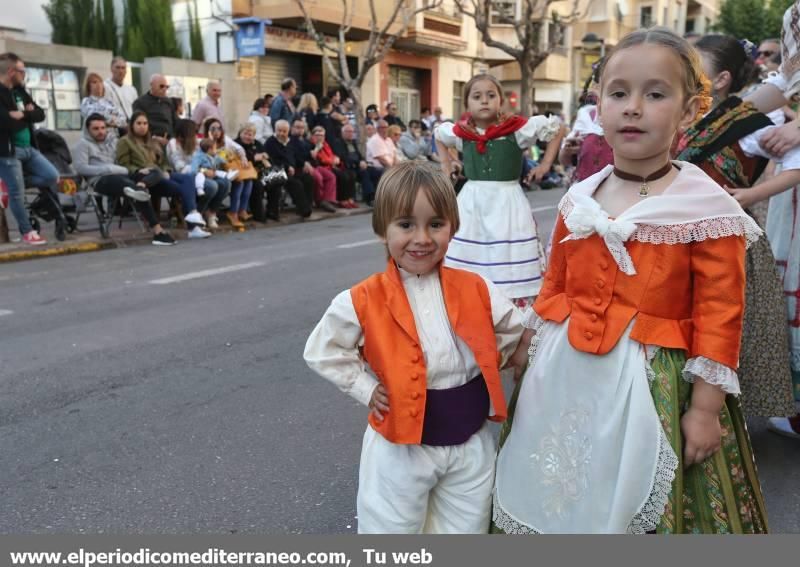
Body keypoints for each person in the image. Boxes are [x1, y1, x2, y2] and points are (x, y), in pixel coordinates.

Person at [493, 28, 768, 535]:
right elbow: (555, 285)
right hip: (563, 376)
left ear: (689, 112)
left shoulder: (706, 208)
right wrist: (527, 348)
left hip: (654, 386)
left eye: (656, 94)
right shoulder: (581, 197)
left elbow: (720, 315)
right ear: (599, 108)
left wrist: (705, 410)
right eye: (618, 93)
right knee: (560, 488)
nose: (633, 107)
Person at [304, 161, 530, 534]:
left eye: (435, 224)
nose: (422, 238)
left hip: (470, 441)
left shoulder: (477, 287)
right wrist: (365, 387)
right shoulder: (361, 299)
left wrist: (501, 359)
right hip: (399, 448)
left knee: (466, 530)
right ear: (382, 230)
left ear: (452, 228)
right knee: (391, 529)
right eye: (406, 225)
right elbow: (322, 350)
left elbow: (512, 330)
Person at [674, 34, 800, 420]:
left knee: (722, 326)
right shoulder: (696, 116)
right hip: (679, 233)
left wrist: (751, 194)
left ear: (722, 78)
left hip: (722, 236)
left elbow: (795, 160)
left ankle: (717, 410)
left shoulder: (747, 122)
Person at [435, 74, 560, 306]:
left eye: (491, 96)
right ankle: (471, 299)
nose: (484, 101)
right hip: (472, 202)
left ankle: (510, 304)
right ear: (467, 104)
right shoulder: (463, 134)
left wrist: (545, 165)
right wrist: (447, 163)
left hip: (508, 201)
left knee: (508, 251)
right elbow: (439, 134)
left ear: (500, 101)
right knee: (470, 251)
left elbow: (556, 129)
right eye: (477, 96)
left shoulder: (516, 130)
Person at [73, 113, 175, 246]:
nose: (100, 131)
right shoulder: (82, 144)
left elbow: (121, 164)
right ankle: (158, 231)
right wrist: (108, 169)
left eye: (103, 128)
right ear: (88, 130)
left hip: (122, 174)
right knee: (130, 187)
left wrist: (137, 171)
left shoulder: (110, 142)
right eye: (96, 129)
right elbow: (81, 168)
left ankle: (139, 186)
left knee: (154, 171)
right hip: (100, 180)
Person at [116, 111, 211, 239]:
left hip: (161, 174)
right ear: (132, 125)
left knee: (188, 178)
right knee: (184, 189)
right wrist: (138, 170)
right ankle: (193, 226)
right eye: (138, 123)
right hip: (146, 177)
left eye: (145, 123)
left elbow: (164, 161)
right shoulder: (125, 141)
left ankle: (193, 216)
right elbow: (124, 164)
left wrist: (167, 170)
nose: (142, 126)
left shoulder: (152, 142)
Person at [0, 52, 49, 244]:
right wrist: (23, 115)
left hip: (29, 147)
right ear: (11, 71)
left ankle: (10, 185)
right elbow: (4, 121)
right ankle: (27, 232)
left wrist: (21, 115)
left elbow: (39, 114)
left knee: (51, 176)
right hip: (9, 151)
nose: (24, 74)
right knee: (17, 194)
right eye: (22, 71)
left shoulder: (21, 91)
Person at [167, 119, 228, 229]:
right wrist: (203, 170)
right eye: (194, 133)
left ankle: (211, 213)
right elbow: (181, 168)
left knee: (225, 183)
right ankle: (196, 214)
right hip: (185, 178)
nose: (196, 136)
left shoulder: (197, 142)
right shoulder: (174, 144)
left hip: (201, 174)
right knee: (211, 186)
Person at [203, 118, 252, 229]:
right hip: (212, 173)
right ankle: (233, 213)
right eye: (213, 128)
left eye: (219, 128)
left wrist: (243, 157)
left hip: (226, 170)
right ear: (207, 130)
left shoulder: (225, 139)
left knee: (248, 180)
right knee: (238, 181)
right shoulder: (203, 141)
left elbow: (239, 147)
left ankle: (241, 210)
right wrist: (211, 141)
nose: (217, 131)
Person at [264, 119, 313, 219]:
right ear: (275, 130)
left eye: (284, 131)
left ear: (288, 131)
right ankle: (303, 209)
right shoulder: (270, 142)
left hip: (289, 171)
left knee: (308, 178)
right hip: (272, 172)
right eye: (279, 130)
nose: (281, 133)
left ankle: (306, 206)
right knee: (295, 183)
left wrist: (304, 163)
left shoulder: (289, 142)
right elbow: (272, 161)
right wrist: (287, 167)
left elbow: (295, 156)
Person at [234, 123, 279, 223]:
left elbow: (266, 156)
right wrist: (254, 158)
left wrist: (265, 157)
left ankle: (272, 211)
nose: (247, 136)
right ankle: (259, 215)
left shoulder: (257, 143)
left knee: (277, 179)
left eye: (250, 134)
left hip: (259, 171)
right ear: (240, 133)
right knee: (258, 185)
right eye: (245, 133)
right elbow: (237, 159)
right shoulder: (236, 144)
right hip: (246, 173)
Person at [309, 125, 356, 209]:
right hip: (322, 167)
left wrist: (335, 158)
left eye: (322, 135)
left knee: (350, 174)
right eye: (317, 135)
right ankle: (342, 199)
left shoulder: (325, 144)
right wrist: (331, 160)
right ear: (313, 136)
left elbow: (330, 154)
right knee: (342, 176)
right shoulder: (312, 144)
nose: (320, 137)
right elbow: (321, 159)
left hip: (331, 165)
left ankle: (349, 198)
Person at [332, 123, 371, 207]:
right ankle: (348, 198)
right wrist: (358, 163)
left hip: (357, 166)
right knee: (351, 174)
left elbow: (359, 155)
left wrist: (363, 161)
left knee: (370, 171)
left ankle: (370, 197)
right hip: (347, 166)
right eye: (348, 131)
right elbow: (342, 156)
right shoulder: (338, 142)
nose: (351, 133)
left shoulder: (353, 143)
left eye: (352, 132)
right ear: (342, 133)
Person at [80, 72, 126, 141]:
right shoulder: (86, 101)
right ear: (88, 86)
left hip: (113, 140)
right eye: (94, 82)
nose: (98, 85)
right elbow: (94, 117)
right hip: (94, 141)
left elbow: (123, 119)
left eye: (100, 82)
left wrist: (113, 122)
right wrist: (111, 117)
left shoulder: (110, 102)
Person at [132, 74, 178, 140]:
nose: (164, 89)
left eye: (167, 87)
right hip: (150, 141)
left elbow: (176, 121)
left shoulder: (168, 102)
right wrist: (153, 138)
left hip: (169, 140)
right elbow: (138, 125)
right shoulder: (140, 103)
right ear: (152, 85)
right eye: (161, 86)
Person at [365, 120, 395, 205]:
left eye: (386, 127)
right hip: (375, 167)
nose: (385, 130)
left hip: (387, 166)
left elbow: (394, 156)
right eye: (382, 128)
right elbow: (381, 159)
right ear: (377, 129)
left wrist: (399, 166)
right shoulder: (375, 140)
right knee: (389, 172)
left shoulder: (389, 140)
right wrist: (393, 168)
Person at [104, 56, 137, 123]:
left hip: (130, 126)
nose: (120, 71)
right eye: (117, 67)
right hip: (113, 127)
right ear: (111, 69)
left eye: (123, 68)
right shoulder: (104, 87)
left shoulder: (131, 89)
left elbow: (136, 110)